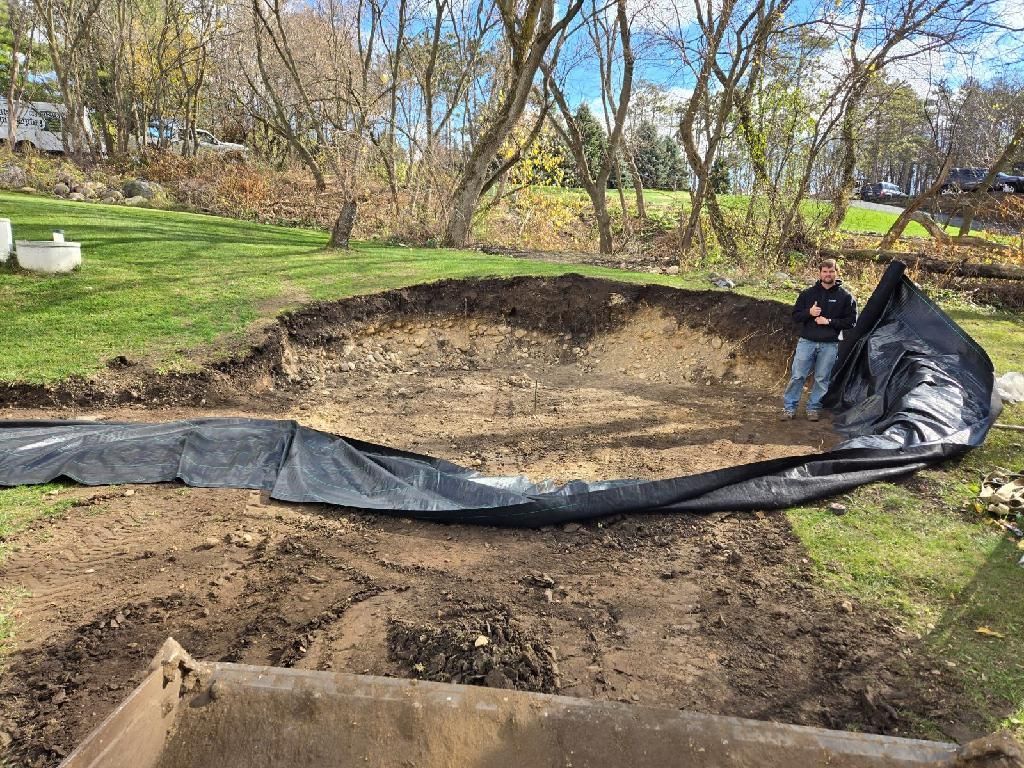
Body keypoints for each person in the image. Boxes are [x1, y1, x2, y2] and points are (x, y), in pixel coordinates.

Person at [782, 259, 857, 421]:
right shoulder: (807, 294)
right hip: (807, 342)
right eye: (825, 271)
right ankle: (789, 408)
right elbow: (795, 316)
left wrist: (829, 321)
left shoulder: (845, 297)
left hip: (830, 344)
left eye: (831, 271)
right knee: (797, 376)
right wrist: (809, 312)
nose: (828, 274)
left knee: (822, 379)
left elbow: (851, 322)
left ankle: (813, 408)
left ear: (836, 273)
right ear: (820, 273)